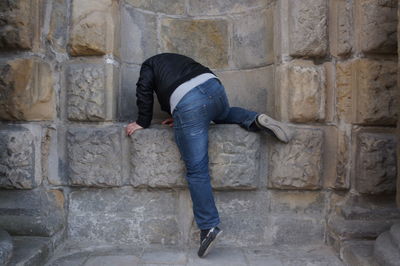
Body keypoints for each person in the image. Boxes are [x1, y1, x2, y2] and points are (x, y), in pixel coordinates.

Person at [125, 53, 292, 257]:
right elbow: (187, 84)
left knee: (197, 171)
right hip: (213, 87)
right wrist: (178, 115)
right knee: (222, 114)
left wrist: (142, 121)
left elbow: (144, 89)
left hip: (188, 103)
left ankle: (208, 227)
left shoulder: (148, 65)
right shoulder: (177, 59)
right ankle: (254, 119)